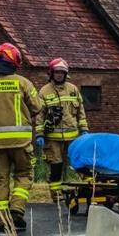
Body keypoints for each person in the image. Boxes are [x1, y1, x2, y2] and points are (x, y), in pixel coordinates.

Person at [0, 42, 43, 233]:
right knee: (24, 175)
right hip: (21, 142)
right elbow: (37, 107)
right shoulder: (23, 83)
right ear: (15, 61)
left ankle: (2, 221)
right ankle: (16, 210)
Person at [37, 58, 89, 199]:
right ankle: (56, 194)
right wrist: (39, 134)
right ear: (51, 73)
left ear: (66, 74)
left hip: (73, 137)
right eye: (57, 72)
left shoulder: (73, 89)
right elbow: (39, 115)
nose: (59, 75)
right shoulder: (44, 91)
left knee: (80, 162)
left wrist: (84, 129)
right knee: (56, 165)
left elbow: (81, 112)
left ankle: (90, 188)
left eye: (62, 72)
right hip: (52, 138)